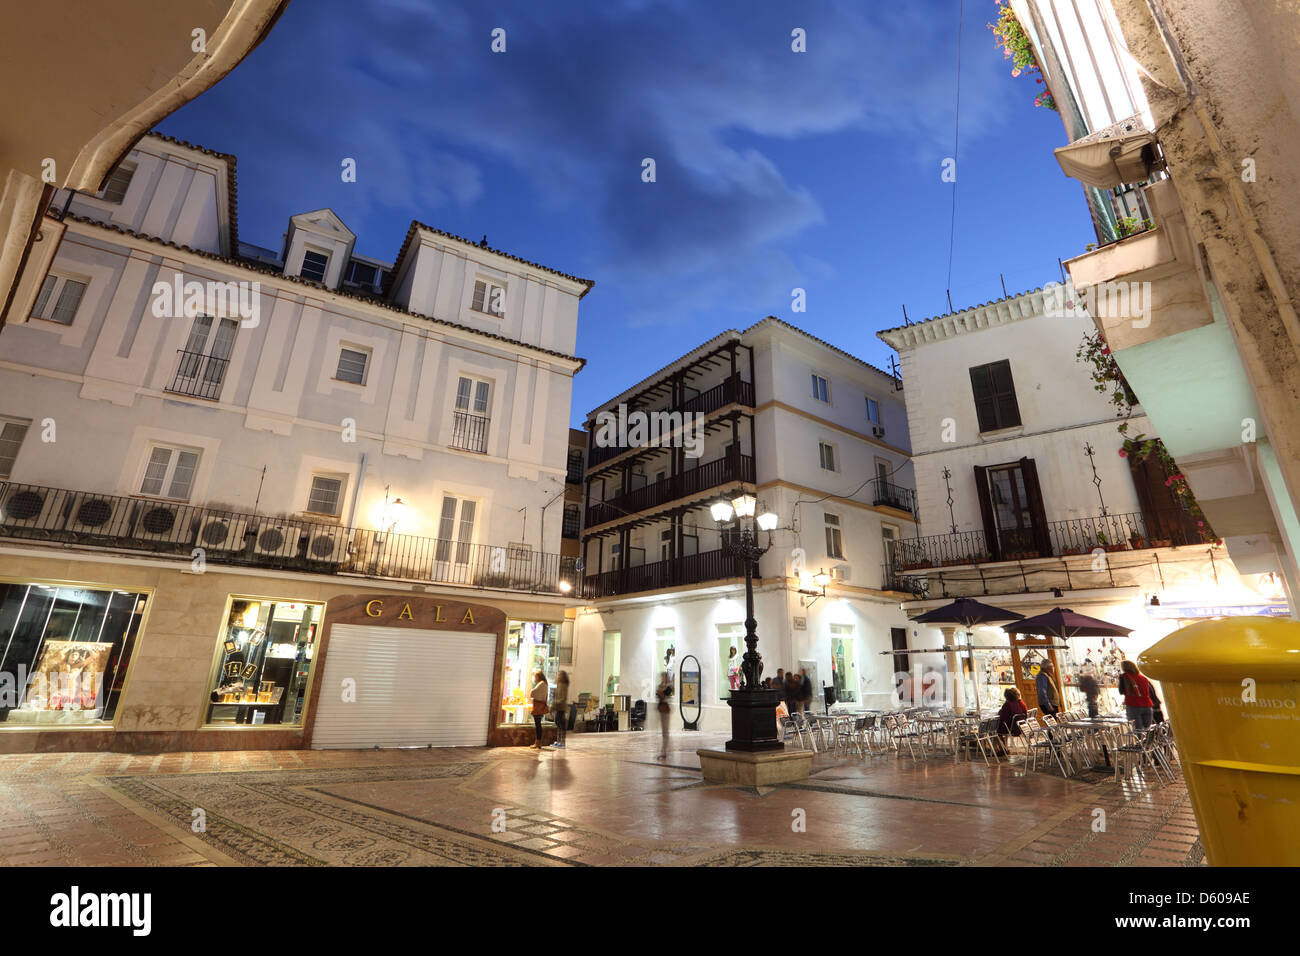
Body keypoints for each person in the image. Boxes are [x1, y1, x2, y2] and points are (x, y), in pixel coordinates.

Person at [1118, 659, 1154, 731]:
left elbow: (1121, 691)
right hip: (1147, 706)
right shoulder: (1143, 678)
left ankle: (1141, 742)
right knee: (1147, 731)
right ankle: (1147, 742)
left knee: (1138, 731)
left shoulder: (1124, 676)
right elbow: (1150, 692)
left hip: (1133, 705)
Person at [655, 672, 673, 760]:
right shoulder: (661, 686)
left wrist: (660, 691)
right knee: (663, 732)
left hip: (665, 710)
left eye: (662, 677)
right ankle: (664, 751)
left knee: (665, 732)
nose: (661, 678)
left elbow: (663, 695)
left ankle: (664, 752)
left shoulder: (668, 687)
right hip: (661, 709)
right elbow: (659, 694)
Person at [549, 670, 569, 749]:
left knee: (560, 724)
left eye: (560, 675)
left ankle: (562, 742)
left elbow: (563, 698)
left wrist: (555, 702)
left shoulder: (563, 686)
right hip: (558, 707)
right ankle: (559, 740)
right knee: (558, 723)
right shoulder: (559, 685)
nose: (558, 676)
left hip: (561, 707)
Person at [530, 670, 549, 749]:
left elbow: (533, 692)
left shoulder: (541, 684)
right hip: (541, 705)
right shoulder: (544, 684)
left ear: (538, 676)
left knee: (538, 725)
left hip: (538, 706)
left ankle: (538, 742)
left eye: (535, 677)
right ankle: (538, 742)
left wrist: (531, 691)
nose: (535, 679)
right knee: (538, 724)